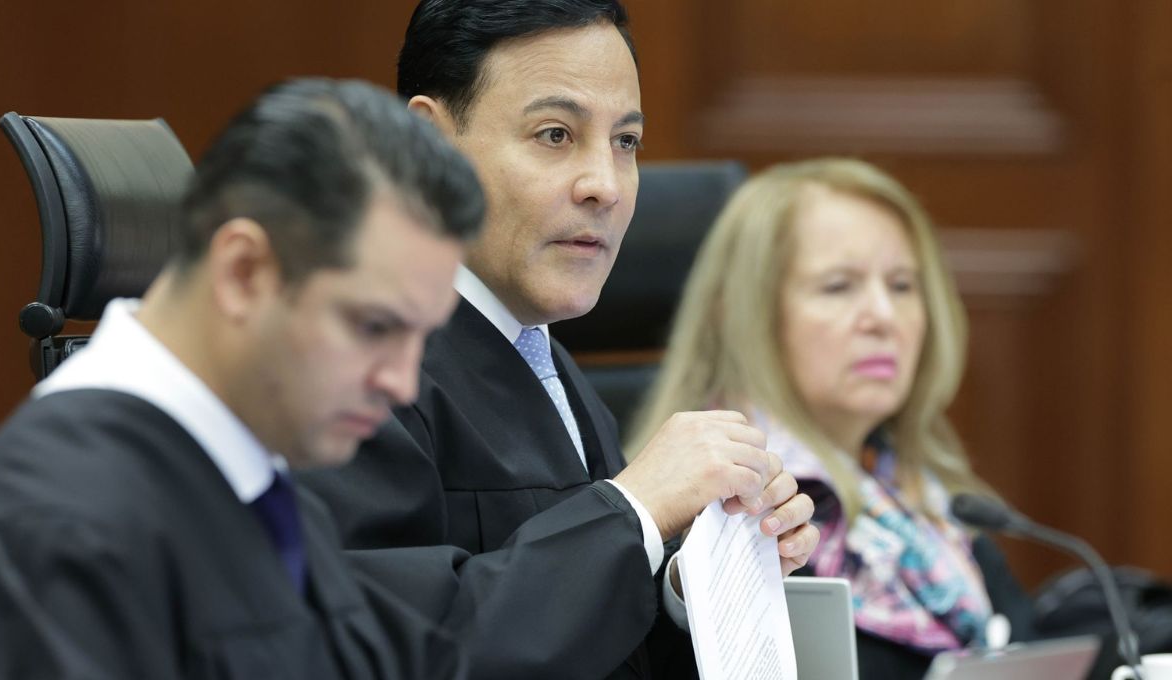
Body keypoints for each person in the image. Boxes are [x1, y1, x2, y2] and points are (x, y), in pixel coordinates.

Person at [298, 1, 820, 678]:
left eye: (625, 142)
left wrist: (694, 580)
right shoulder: (345, 369)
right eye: (555, 134)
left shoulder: (547, 363)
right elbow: (391, 649)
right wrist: (634, 510)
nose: (605, 185)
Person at [0, 78, 486, 679]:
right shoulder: (62, 521)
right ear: (243, 272)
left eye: (421, 336)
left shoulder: (256, 482)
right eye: (374, 326)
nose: (402, 383)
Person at [628, 158, 1037, 680]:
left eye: (902, 285)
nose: (883, 317)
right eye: (839, 286)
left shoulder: (928, 503)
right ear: (743, 312)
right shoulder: (714, 513)